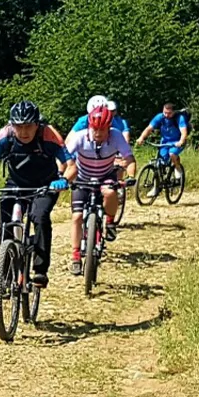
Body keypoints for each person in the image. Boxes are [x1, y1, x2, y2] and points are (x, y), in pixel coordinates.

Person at [0, 101, 67, 286]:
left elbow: (69, 164)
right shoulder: (5, 136)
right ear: (12, 125)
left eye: (28, 126)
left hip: (46, 184)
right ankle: (5, 273)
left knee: (40, 217)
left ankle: (40, 270)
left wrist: (63, 179)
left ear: (37, 124)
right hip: (16, 184)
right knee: (5, 223)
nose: (23, 131)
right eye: (18, 126)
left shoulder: (48, 134)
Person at [62, 95, 136, 274]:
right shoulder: (80, 137)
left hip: (105, 175)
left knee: (110, 193)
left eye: (103, 130)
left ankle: (110, 222)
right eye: (95, 129)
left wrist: (131, 175)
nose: (98, 133)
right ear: (90, 126)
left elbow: (129, 158)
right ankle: (75, 256)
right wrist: (60, 175)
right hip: (82, 177)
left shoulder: (116, 136)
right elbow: (63, 158)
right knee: (77, 217)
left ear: (109, 128)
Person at [69, 99, 133, 141]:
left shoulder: (118, 123)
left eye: (113, 111)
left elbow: (124, 140)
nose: (110, 113)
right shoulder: (83, 121)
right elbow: (69, 140)